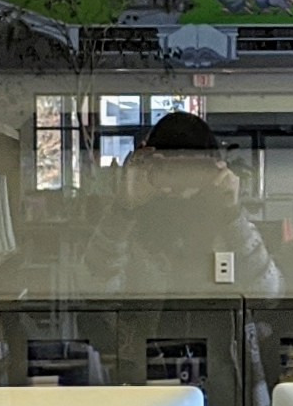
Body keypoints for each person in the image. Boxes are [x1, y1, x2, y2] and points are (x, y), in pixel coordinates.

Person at [100, 109, 281, 301]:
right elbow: (97, 294)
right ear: (149, 167)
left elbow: (269, 293)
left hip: (218, 329)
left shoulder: (228, 224)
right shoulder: (131, 223)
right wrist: (123, 209)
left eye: (193, 167)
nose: (181, 182)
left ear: (215, 167)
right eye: (169, 169)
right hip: (152, 330)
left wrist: (233, 215)